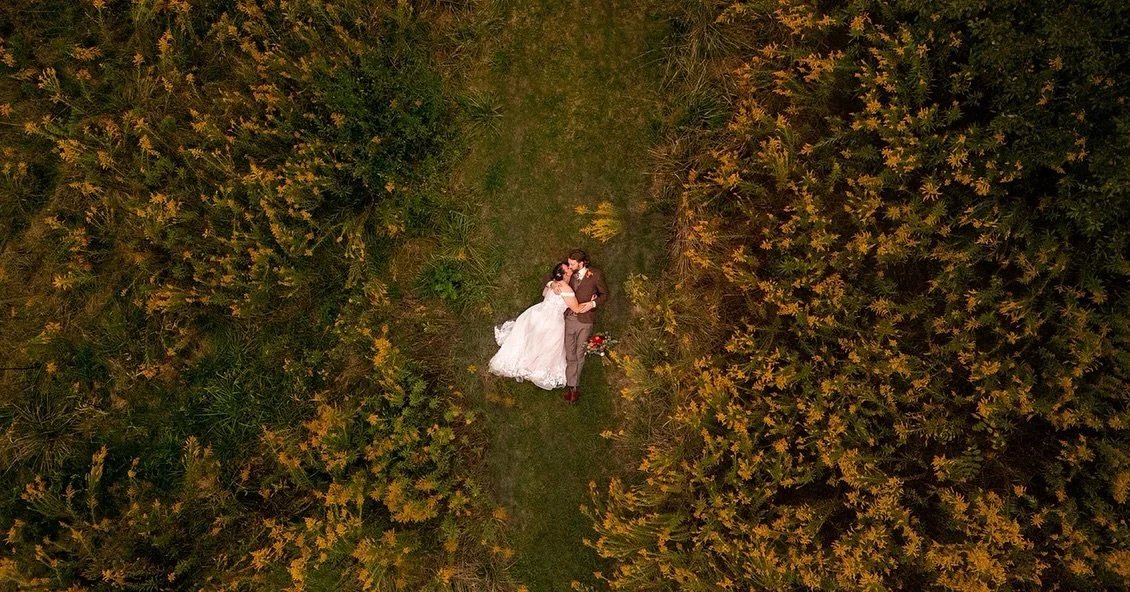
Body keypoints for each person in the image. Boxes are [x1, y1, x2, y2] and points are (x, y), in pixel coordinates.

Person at [489, 261, 596, 390]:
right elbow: (577, 309)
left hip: (537, 314)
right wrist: (591, 302)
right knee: (545, 345)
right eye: (568, 268)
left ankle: (525, 362)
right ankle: (533, 366)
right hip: (552, 321)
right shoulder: (566, 289)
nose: (570, 268)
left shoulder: (555, 283)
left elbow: (544, 294)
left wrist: (551, 284)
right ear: (565, 273)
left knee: (531, 339)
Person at [561, 248, 609, 403]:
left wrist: (592, 304)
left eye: (572, 264)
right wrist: (551, 284)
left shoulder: (595, 274)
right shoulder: (569, 273)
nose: (570, 266)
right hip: (570, 318)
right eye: (569, 263)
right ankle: (571, 384)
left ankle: (573, 387)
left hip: (586, 319)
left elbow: (605, 295)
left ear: (581, 263)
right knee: (570, 352)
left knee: (579, 352)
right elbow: (552, 278)